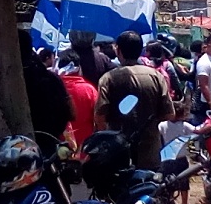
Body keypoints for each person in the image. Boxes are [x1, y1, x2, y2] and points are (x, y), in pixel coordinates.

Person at [96, 31, 172, 168]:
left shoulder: (108, 79)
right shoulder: (156, 76)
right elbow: (169, 114)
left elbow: (100, 116)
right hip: (149, 152)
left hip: (119, 152)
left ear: (118, 50)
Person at [20, 30, 74, 147]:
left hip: (45, 143)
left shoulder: (46, 77)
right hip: (50, 141)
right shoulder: (50, 77)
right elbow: (69, 112)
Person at [59, 63, 99, 149]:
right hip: (85, 149)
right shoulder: (89, 89)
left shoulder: (54, 88)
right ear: (79, 68)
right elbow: (98, 118)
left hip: (60, 149)